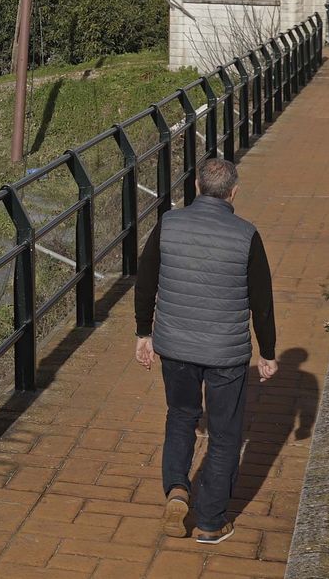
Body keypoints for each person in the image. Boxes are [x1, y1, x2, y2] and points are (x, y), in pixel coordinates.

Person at [133, 157, 277, 544]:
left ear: (196, 186)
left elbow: (145, 283)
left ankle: (177, 489)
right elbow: (261, 302)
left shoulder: (168, 224)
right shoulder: (246, 235)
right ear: (234, 192)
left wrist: (143, 333)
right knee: (226, 434)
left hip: (175, 346)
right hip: (226, 354)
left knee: (181, 415)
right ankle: (212, 521)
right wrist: (267, 352)